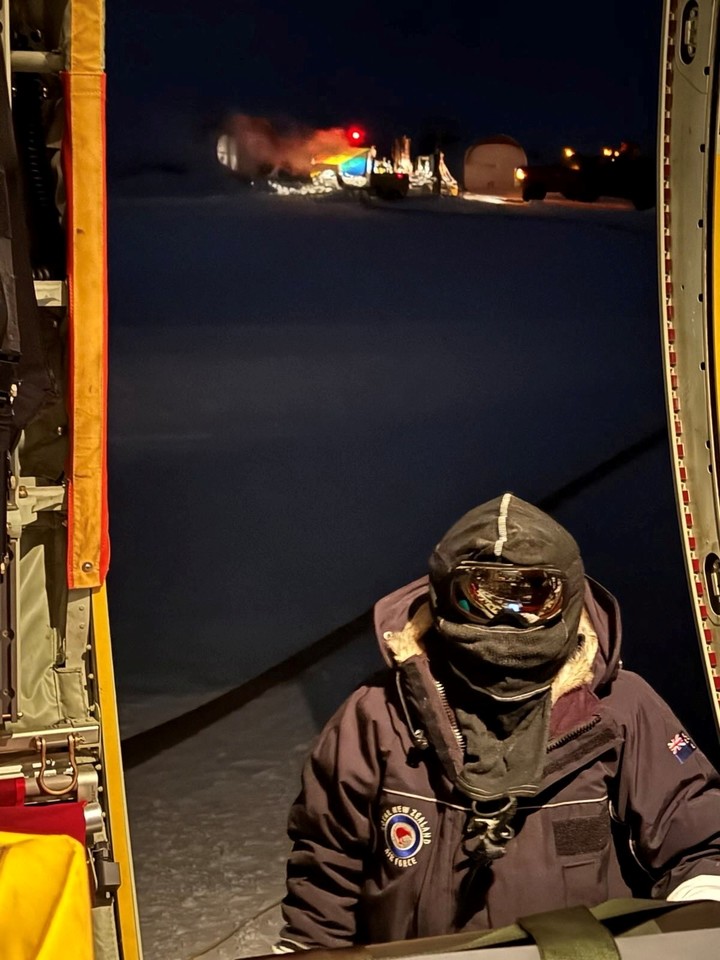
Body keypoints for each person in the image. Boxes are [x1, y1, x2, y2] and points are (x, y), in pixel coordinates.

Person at [276, 493, 720, 950]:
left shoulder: (617, 710)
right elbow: (328, 871)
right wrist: (309, 953)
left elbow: (698, 839)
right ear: (443, 595)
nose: (507, 619)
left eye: (533, 597)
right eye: (480, 597)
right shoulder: (378, 716)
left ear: (567, 599)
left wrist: (696, 929)